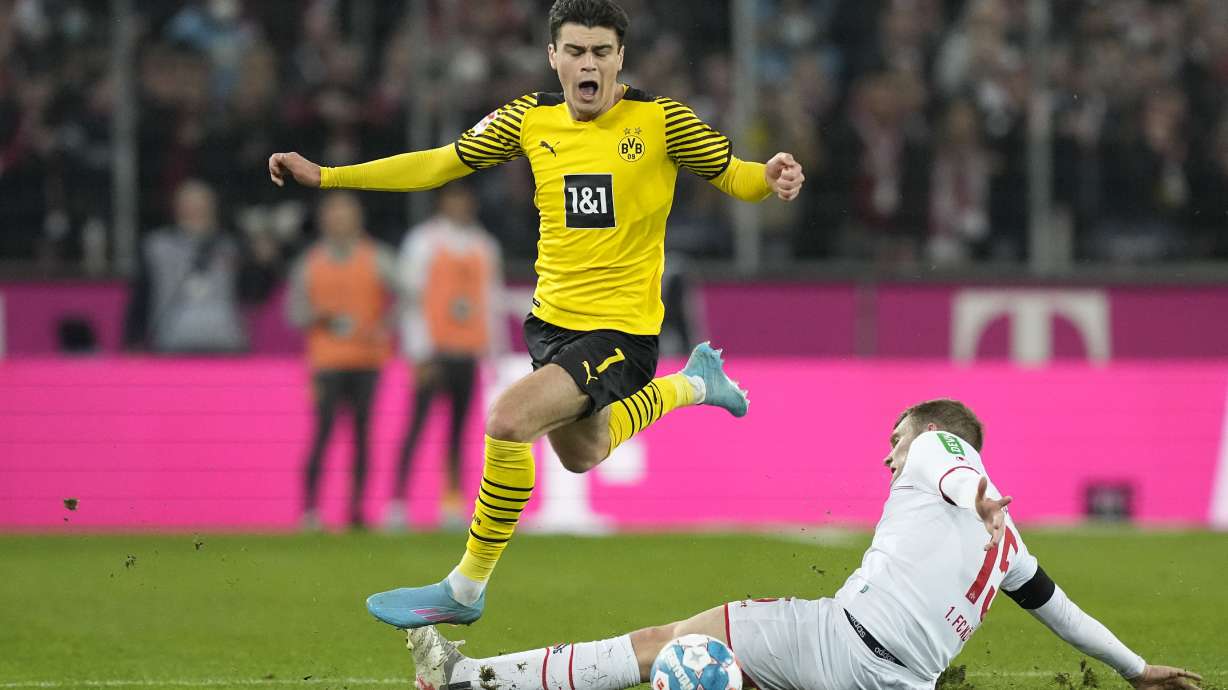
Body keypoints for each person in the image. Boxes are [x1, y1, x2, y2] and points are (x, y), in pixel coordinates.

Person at [268, 0, 805, 628]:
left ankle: (464, 589)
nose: (589, 64)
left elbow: (733, 175)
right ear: (553, 57)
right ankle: (694, 384)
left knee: (506, 420)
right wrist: (330, 176)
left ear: (619, 59)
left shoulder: (661, 120)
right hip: (551, 326)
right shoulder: (529, 119)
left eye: (602, 53)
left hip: (621, 331)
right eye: (575, 51)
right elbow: (439, 163)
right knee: (585, 451)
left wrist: (768, 176)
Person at [402, 399, 1203, 690]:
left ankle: (467, 680)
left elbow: (954, 469)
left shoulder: (939, 454)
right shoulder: (1015, 551)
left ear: (927, 435)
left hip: (835, 644)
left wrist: (980, 496)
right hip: (900, 680)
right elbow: (1060, 613)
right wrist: (1135, 669)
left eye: (893, 438)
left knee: (660, 648)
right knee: (730, 671)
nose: (888, 456)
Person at [385, 184, 507, 531]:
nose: (460, 204)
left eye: (465, 198)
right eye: (453, 198)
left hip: (467, 351)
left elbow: (491, 299)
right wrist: (418, 351)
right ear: (442, 203)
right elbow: (411, 299)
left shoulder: (485, 246)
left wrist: (493, 353)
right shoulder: (422, 242)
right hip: (433, 351)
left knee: (458, 432)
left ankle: (452, 502)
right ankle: (397, 503)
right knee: (416, 427)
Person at [286, 191, 399, 530]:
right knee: (322, 434)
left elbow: (410, 295)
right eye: (334, 214)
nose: (340, 220)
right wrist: (316, 315)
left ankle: (357, 510)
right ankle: (310, 510)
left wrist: (385, 325)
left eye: (346, 214)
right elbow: (294, 312)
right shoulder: (310, 262)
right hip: (327, 362)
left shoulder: (377, 257)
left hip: (367, 360)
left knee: (363, 436)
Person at [123, 179, 277, 353]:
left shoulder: (232, 247)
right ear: (177, 208)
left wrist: (264, 265)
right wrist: (132, 341)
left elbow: (253, 295)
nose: (196, 211)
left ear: (213, 208)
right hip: (171, 344)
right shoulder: (157, 247)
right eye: (189, 205)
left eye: (202, 205)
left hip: (226, 345)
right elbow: (141, 298)